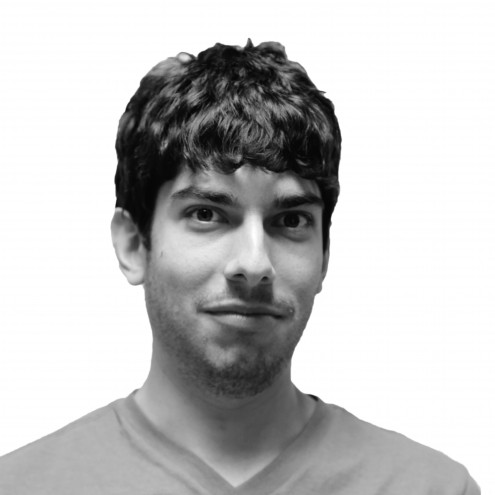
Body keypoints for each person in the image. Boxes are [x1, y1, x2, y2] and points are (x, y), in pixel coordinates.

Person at [0, 40, 479, 494]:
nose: (254, 264)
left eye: (290, 220)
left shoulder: (429, 487)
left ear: (325, 255)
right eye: (207, 214)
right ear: (133, 245)